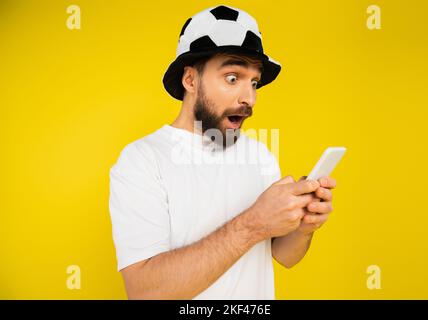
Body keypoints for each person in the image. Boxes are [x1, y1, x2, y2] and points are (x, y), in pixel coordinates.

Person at [108, 5, 336, 300]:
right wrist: (254, 223)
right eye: (232, 78)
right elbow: (145, 292)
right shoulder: (142, 160)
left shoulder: (260, 154)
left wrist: (304, 227)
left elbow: (283, 256)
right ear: (190, 80)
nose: (249, 98)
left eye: (254, 82)